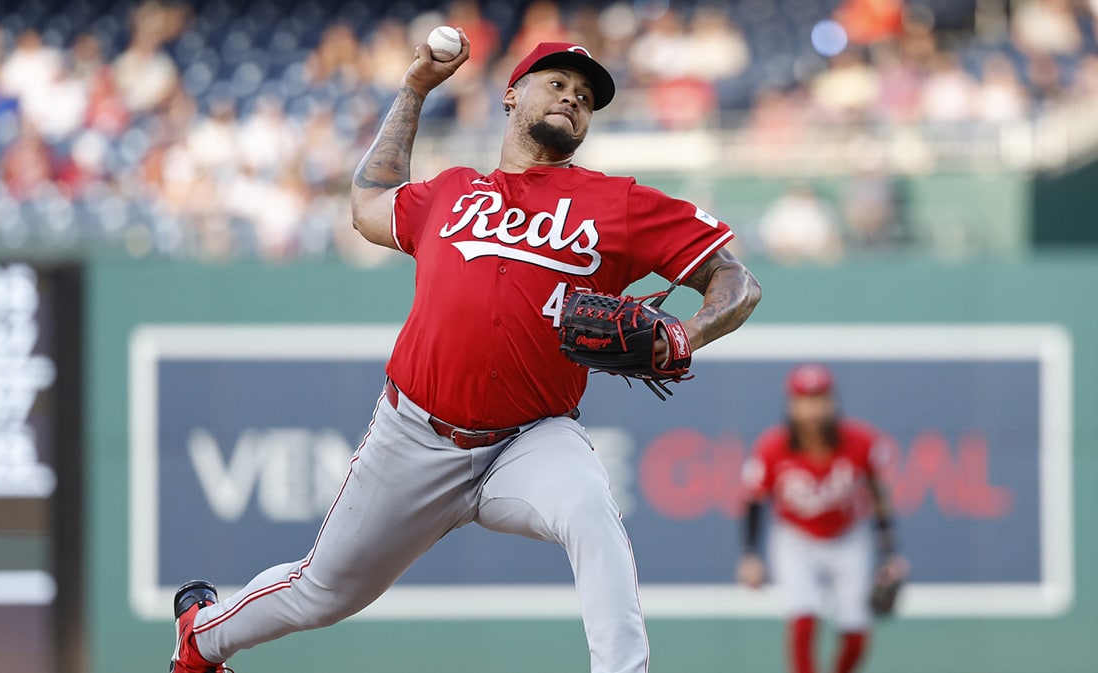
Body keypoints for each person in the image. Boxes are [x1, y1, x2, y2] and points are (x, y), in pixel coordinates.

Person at [167, 32, 761, 673]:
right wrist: (415, 89)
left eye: (586, 97)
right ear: (512, 95)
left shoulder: (618, 204)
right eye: (557, 84)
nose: (572, 98)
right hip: (414, 436)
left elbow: (737, 283)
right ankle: (201, 639)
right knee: (322, 592)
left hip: (531, 438)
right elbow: (367, 203)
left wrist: (684, 334)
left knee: (591, 509)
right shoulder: (449, 192)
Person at [737, 364, 908, 673]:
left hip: (848, 537)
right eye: (805, 399)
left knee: (856, 632)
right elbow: (754, 500)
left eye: (820, 398)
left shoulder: (861, 442)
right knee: (803, 618)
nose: (813, 408)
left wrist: (890, 553)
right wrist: (750, 554)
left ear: (832, 401)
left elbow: (879, 495)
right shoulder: (773, 447)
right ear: (792, 404)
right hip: (796, 538)